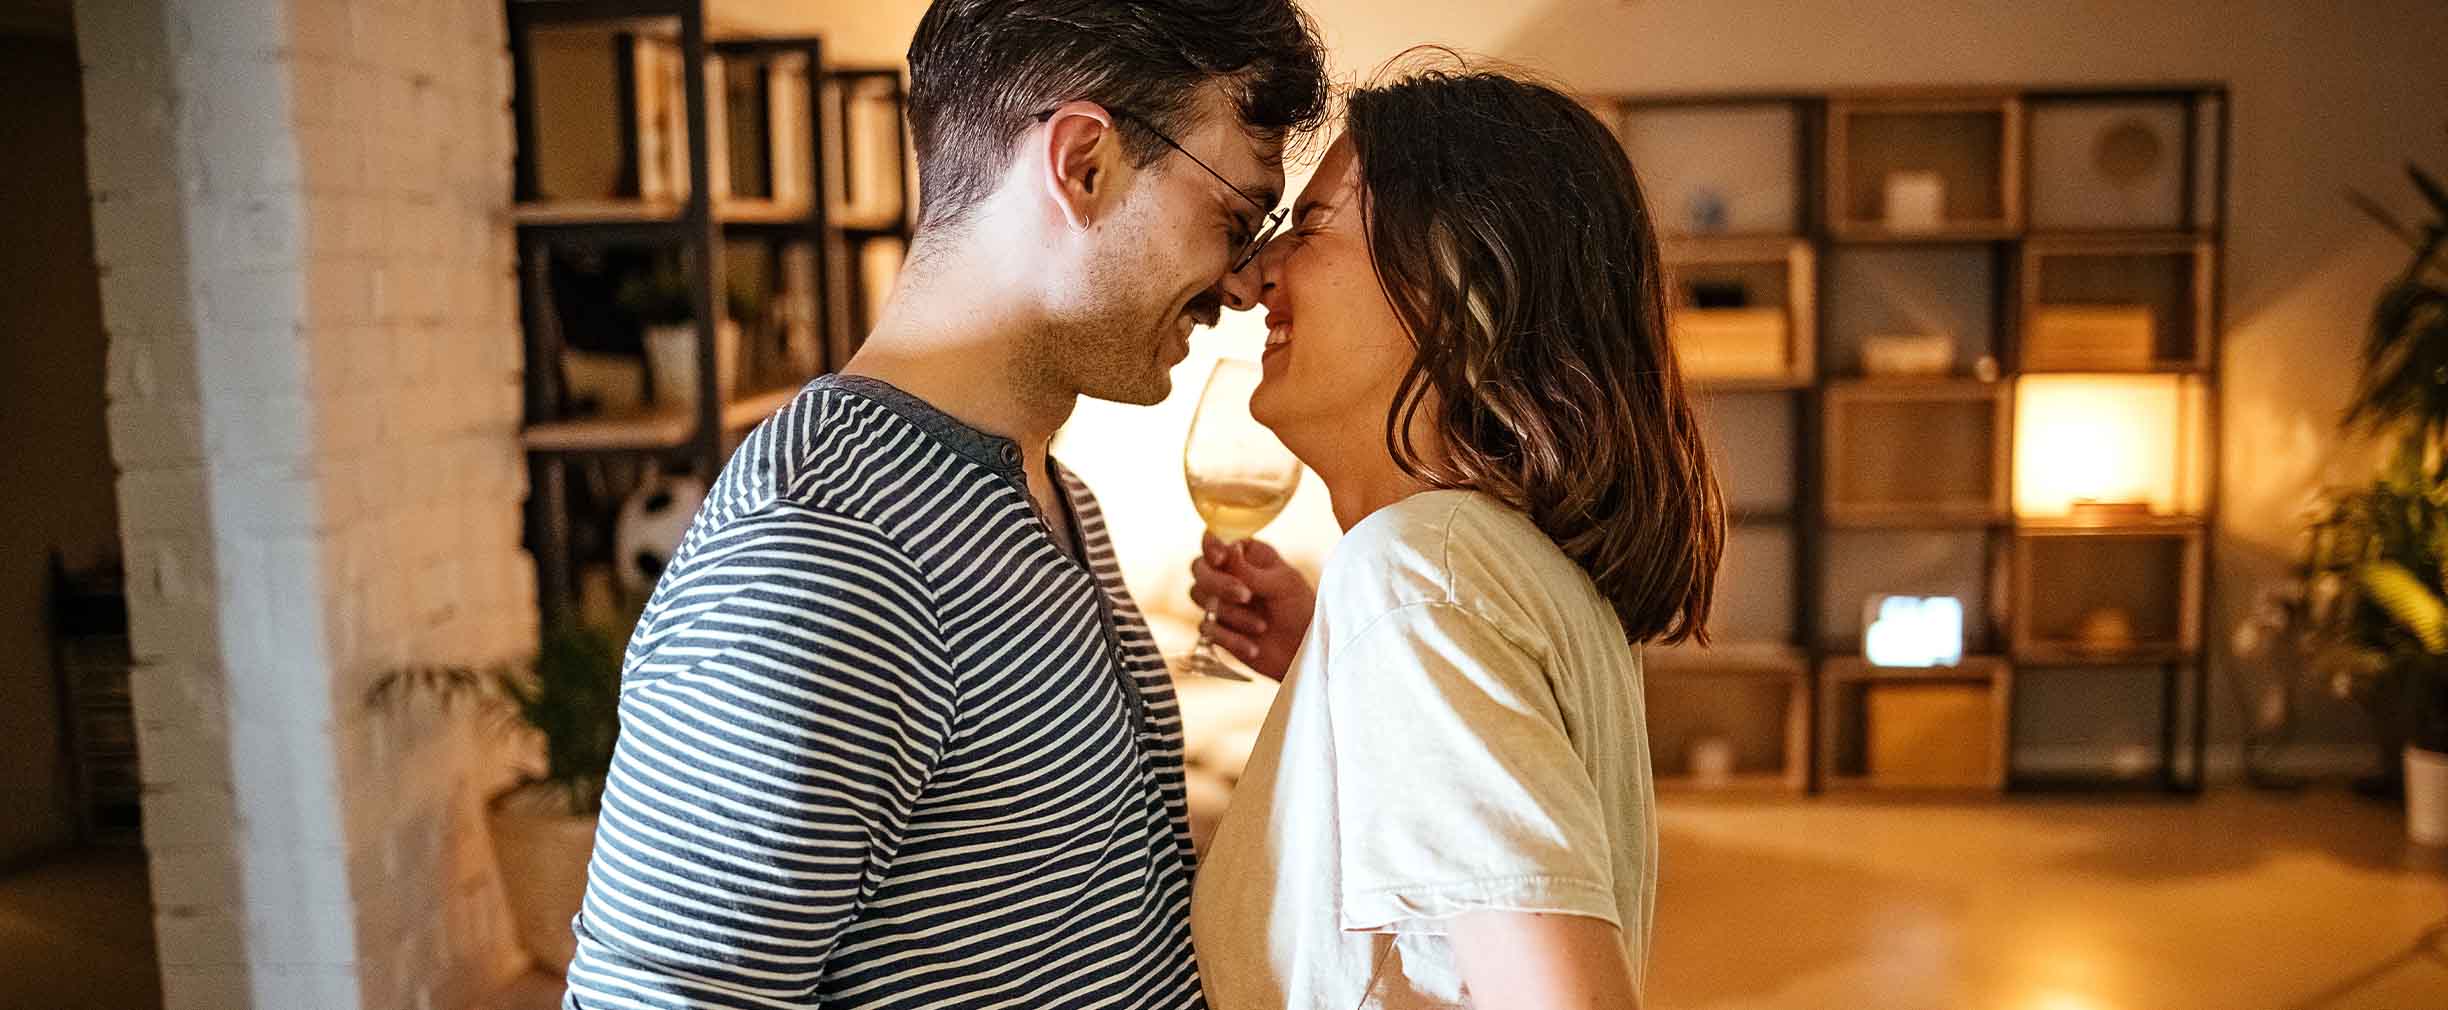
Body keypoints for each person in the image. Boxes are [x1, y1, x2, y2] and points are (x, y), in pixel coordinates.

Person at [561, 3, 1327, 1008]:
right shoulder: (820, 555)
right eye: (1235, 216)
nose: (1239, 283)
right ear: (1084, 163)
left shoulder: (1054, 493)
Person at [1187, 61, 1725, 1010]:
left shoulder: (1416, 578)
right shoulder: (1478, 570)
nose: (1250, 274)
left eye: (1309, 227)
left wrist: (1387, 625)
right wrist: (1333, 663)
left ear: (1456, 276)